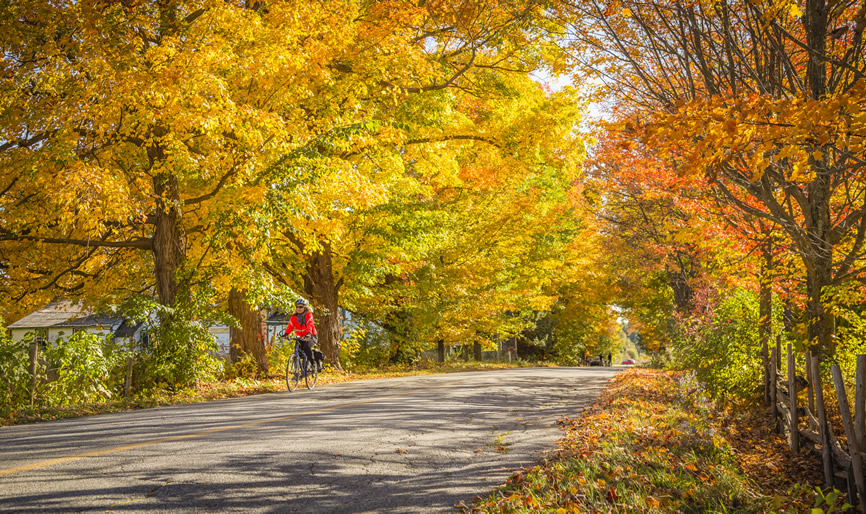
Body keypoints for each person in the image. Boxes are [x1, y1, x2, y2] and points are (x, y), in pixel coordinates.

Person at [283, 298, 319, 372]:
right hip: (301, 337)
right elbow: (290, 326)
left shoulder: (308, 315)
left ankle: (313, 364)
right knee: (297, 350)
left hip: (311, 336)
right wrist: (286, 334)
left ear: (305, 307)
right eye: (297, 307)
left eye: (300, 307)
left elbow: (310, 325)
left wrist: (308, 334)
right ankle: (297, 371)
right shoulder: (294, 317)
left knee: (306, 347)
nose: (298, 308)